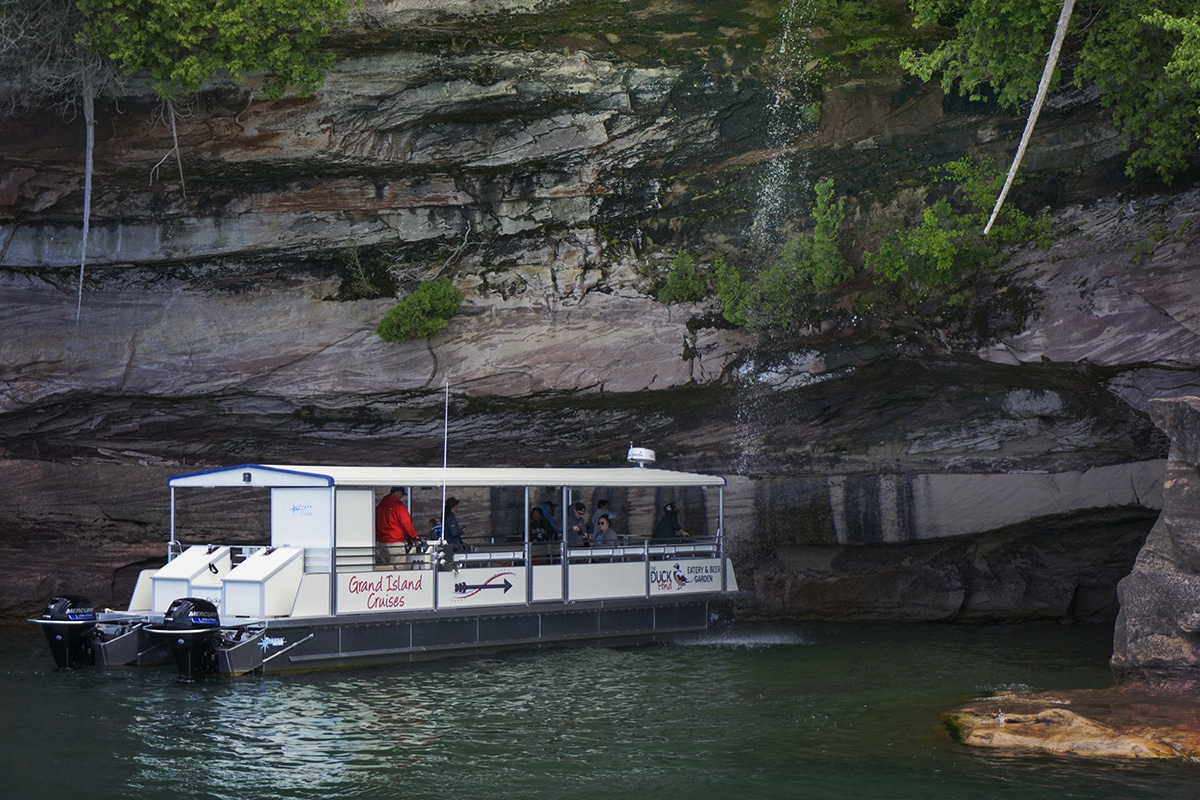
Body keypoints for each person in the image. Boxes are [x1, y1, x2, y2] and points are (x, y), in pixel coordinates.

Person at [376, 486, 420, 564]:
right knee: (398, 568)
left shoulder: (380, 506)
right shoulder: (399, 506)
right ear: (398, 493)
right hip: (395, 542)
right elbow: (406, 523)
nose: (401, 497)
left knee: (385, 569)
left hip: (381, 542)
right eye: (402, 495)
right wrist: (414, 537)